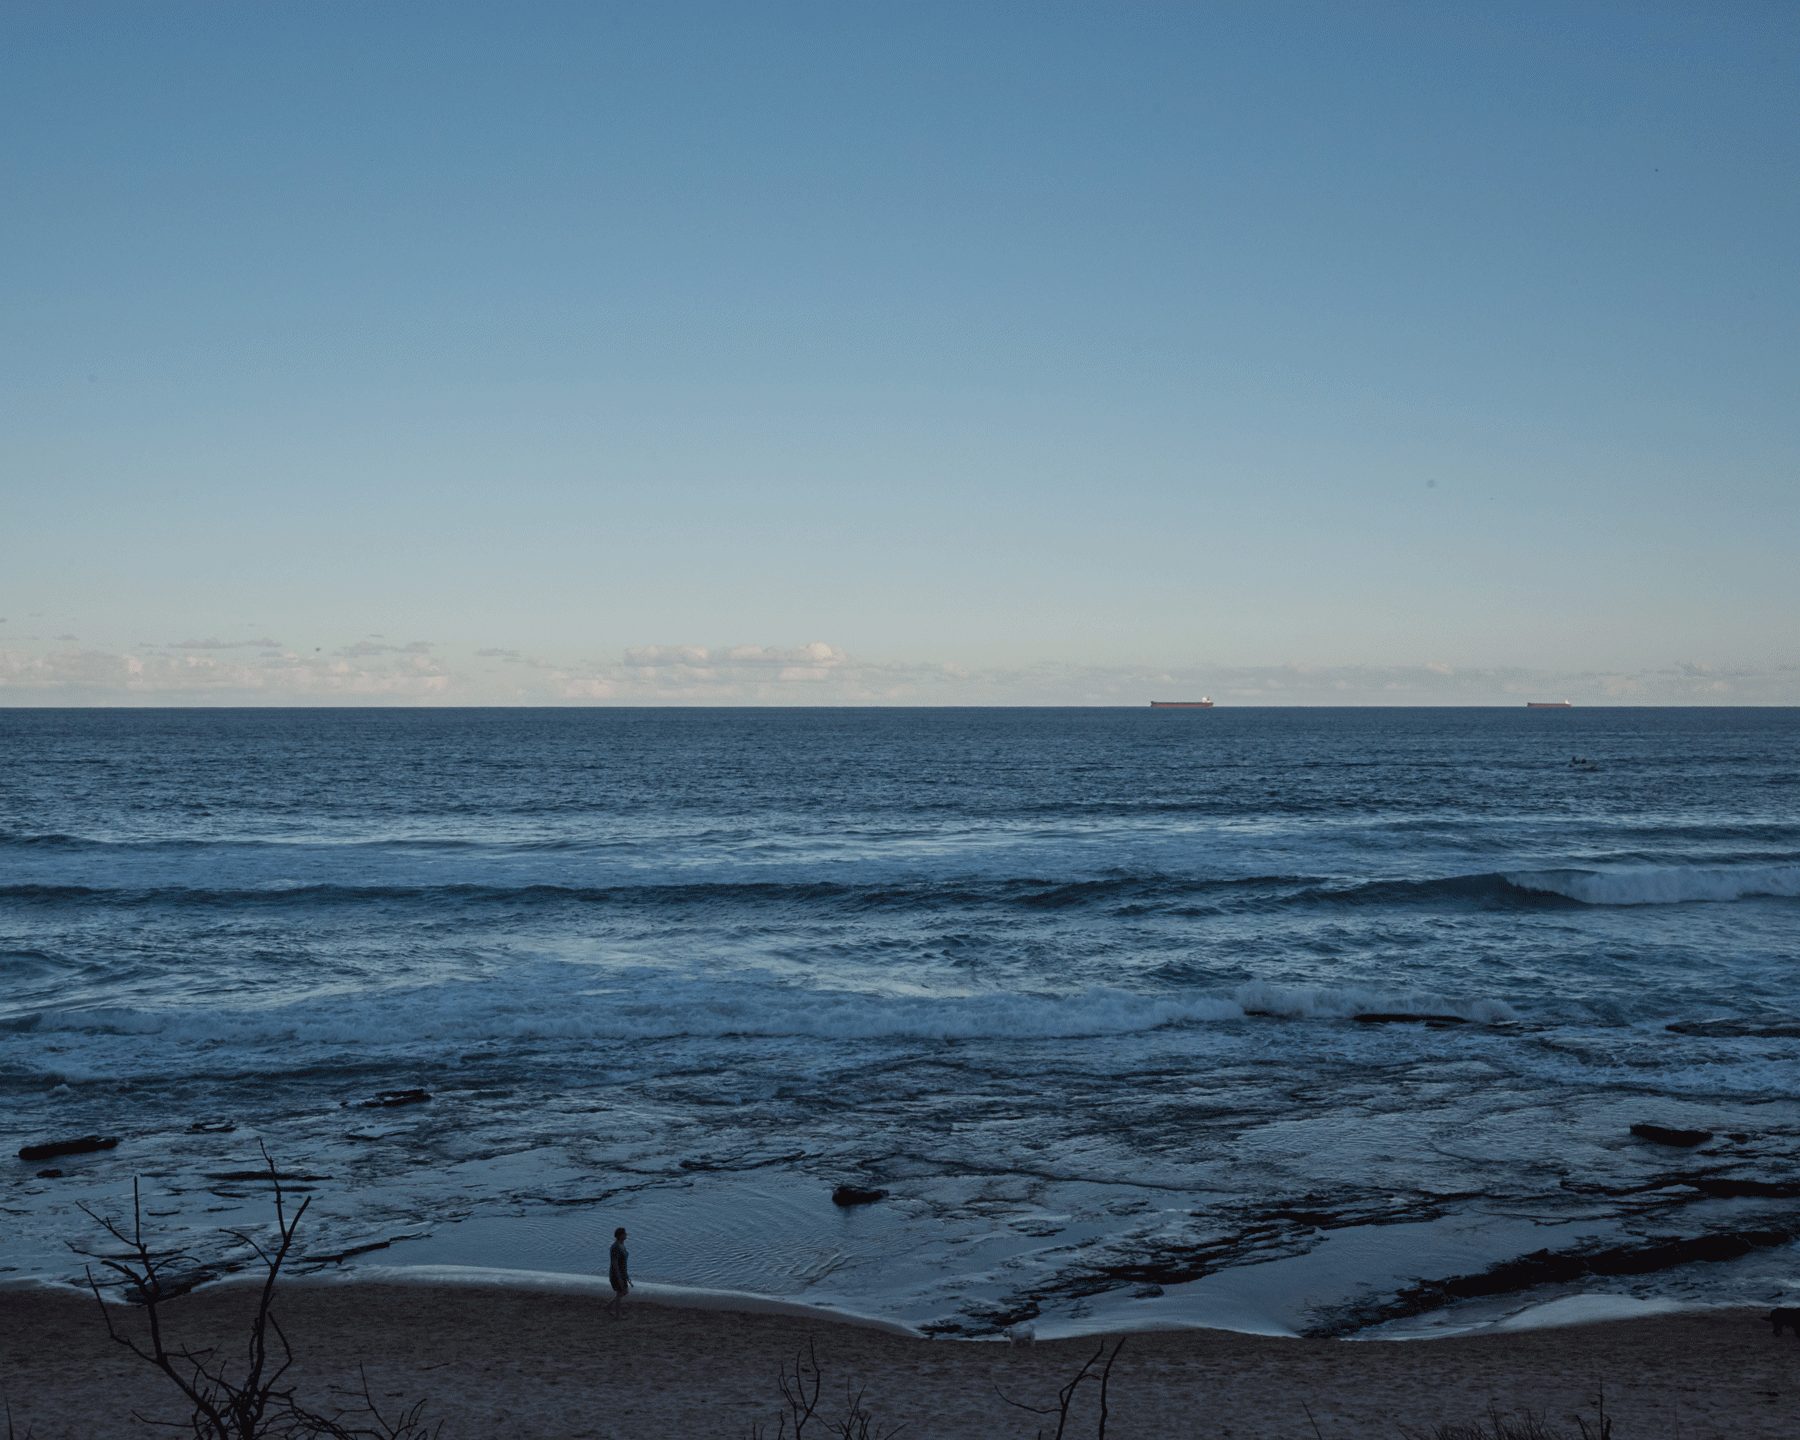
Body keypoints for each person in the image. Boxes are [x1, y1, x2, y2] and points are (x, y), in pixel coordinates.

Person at [607, 1226, 631, 1318]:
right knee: (620, 1292)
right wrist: (619, 1277)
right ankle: (618, 1315)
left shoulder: (622, 1245)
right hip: (616, 1274)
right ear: (620, 1235)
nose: (626, 1235)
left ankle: (609, 1306)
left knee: (624, 1292)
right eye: (624, 1233)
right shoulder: (615, 1247)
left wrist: (626, 1275)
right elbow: (615, 1264)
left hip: (622, 1273)